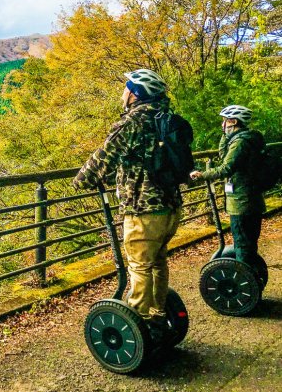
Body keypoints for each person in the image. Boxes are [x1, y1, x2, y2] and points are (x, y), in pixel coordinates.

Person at [73, 69, 182, 333]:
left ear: (135, 94)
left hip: (143, 209)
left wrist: (80, 180)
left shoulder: (132, 122)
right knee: (157, 262)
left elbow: (103, 157)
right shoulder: (165, 119)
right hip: (171, 207)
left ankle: (140, 323)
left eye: (127, 87)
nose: (123, 92)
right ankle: (158, 314)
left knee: (139, 266)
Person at [190, 105, 265, 269]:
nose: (222, 124)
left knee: (243, 245)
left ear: (234, 121)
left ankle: (246, 289)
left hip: (242, 202)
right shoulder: (246, 139)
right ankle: (253, 282)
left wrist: (203, 175)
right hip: (250, 199)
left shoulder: (240, 143)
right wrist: (225, 135)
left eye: (225, 121)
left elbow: (226, 168)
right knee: (248, 244)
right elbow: (224, 155)